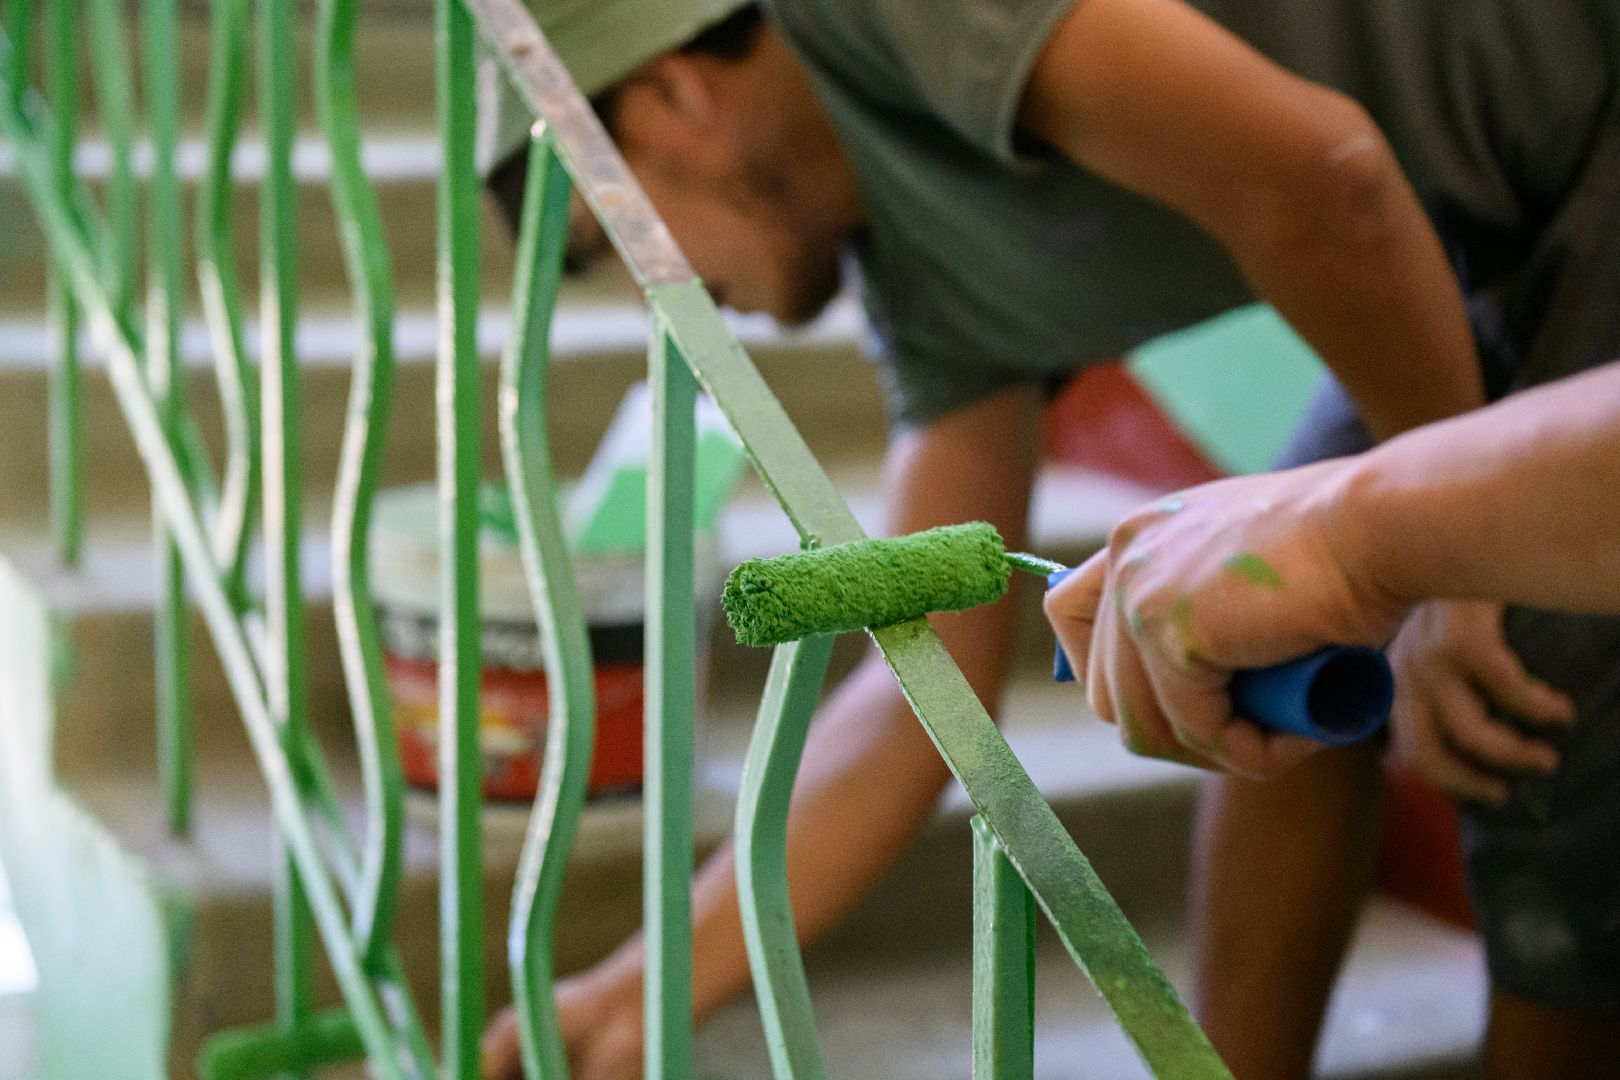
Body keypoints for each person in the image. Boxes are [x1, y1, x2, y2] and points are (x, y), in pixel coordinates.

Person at [476, 2, 1620, 1077]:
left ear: (675, 96)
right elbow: (920, 686)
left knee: (1531, 702)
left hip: (1590, 137)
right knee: (1261, 622)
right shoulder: (927, 299)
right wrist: (643, 987)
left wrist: (1447, 571)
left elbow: (1330, 186)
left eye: (610, 233)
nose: (665, 300)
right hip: (1491, 233)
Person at [1046, 361, 1620, 1075]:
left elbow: (1361, 244)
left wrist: (1401, 551)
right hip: (1470, 282)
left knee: (1540, 681)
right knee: (1246, 608)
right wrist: (1381, 539)